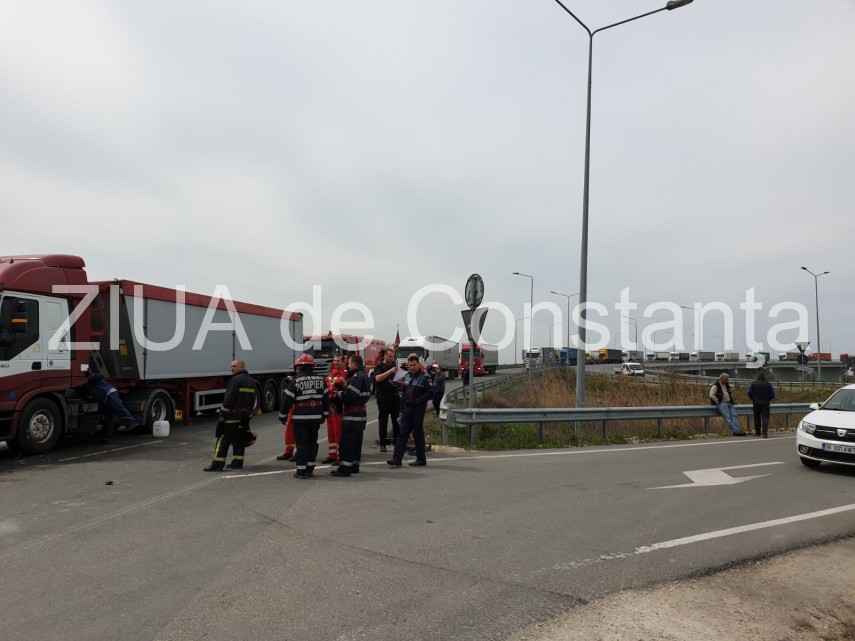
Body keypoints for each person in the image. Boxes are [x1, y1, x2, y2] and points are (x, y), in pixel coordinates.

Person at [279, 354, 329, 478]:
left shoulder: (296, 380)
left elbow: (287, 400)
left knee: (302, 443)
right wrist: (325, 414)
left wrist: (282, 415)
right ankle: (310, 469)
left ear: (300, 366)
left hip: (300, 417)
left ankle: (301, 470)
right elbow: (326, 399)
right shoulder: (321, 379)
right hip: (316, 416)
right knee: (312, 442)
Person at [205, 360, 258, 471]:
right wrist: (249, 414)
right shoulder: (251, 381)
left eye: (234, 366)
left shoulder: (235, 380)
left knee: (223, 438)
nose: (231, 368)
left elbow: (229, 399)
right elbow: (253, 400)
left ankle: (217, 464)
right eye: (231, 366)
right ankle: (237, 462)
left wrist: (222, 414)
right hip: (244, 416)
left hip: (232, 415)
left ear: (242, 367)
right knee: (239, 438)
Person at [387, 353, 433, 468]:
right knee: (402, 434)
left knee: (418, 434)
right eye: (410, 365)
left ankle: (421, 459)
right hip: (407, 409)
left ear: (418, 364)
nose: (412, 367)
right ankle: (397, 458)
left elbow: (430, 393)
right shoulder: (407, 376)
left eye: (414, 365)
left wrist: (417, 401)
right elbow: (404, 394)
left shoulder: (425, 377)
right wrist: (401, 410)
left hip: (418, 409)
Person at [330, 353, 371, 477]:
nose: (348, 365)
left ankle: (345, 469)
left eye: (349, 363)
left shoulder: (356, 377)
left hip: (352, 416)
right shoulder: (363, 375)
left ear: (353, 364)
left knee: (347, 442)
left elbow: (351, 395)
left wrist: (338, 394)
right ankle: (354, 465)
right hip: (360, 415)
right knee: (356, 443)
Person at [86, 372, 139, 444]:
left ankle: (131, 421)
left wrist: (92, 375)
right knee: (108, 418)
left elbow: (101, 376)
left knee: (117, 406)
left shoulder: (93, 379)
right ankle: (107, 437)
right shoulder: (89, 385)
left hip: (110, 393)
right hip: (105, 399)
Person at [372, 348, 401, 452]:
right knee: (383, 421)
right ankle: (383, 443)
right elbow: (377, 378)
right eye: (389, 356)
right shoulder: (380, 366)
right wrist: (389, 371)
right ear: (384, 356)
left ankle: (397, 442)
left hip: (394, 396)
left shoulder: (394, 366)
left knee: (396, 420)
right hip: (383, 396)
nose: (391, 358)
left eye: (393, 356)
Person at [321, 353, 347, 464]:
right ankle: (332, 455)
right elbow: (326, 386)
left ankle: (339, 456)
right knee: (331, 432)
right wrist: (330, 387)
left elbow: (337, 386)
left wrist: (330, 387)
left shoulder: (344, 374)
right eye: (335, 361)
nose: (336, 363)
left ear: (343, 362)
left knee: (338, 433)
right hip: (330, 406)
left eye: (338, 361)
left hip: (338, 406)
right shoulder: (331, 373)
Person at [709, 372, 746, 436]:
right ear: (722, 378)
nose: (728, 380)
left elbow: (729, 393)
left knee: (734, 416)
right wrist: (718, 401)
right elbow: (711, 395)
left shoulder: (727, 385)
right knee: (728, 417)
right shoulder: (715, 386)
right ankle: (734, 431)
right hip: (722, 403)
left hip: (729, 403)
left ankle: (737, 430)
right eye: (726, 378)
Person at [747, 372, 775, 438]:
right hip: (765, 403)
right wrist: (769, 399)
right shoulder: (768, 384)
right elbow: (772, 394)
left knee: (756, 417)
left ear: (758, 378)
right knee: (765, 418)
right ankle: (764, 433)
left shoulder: (753, 384)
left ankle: (757, 432)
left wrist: (753, 398)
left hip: (756, 402)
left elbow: (749, 393)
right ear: (764, 378)